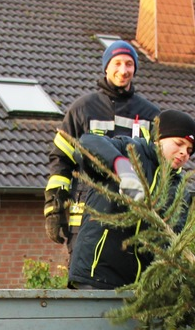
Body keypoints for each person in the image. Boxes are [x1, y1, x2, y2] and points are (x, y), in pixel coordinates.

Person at [45, 40, 160, 252]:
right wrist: (55, 209)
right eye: (117, 63)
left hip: (134, 222)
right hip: (87, 218)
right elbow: (60, 160)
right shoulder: (82, 109)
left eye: (128, 64)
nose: (123, 70)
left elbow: (163, 168)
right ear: (106, 67)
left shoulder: (150, 115)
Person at [66, 109, 195, 289]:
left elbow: (171, 241)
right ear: (159, 138)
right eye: (179, 143)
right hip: (96, 275)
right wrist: (123, 168)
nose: (184, 153)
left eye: (189, 150)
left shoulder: (179, 190)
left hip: (138, 289)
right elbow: (88, 143)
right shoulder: (130, 150)